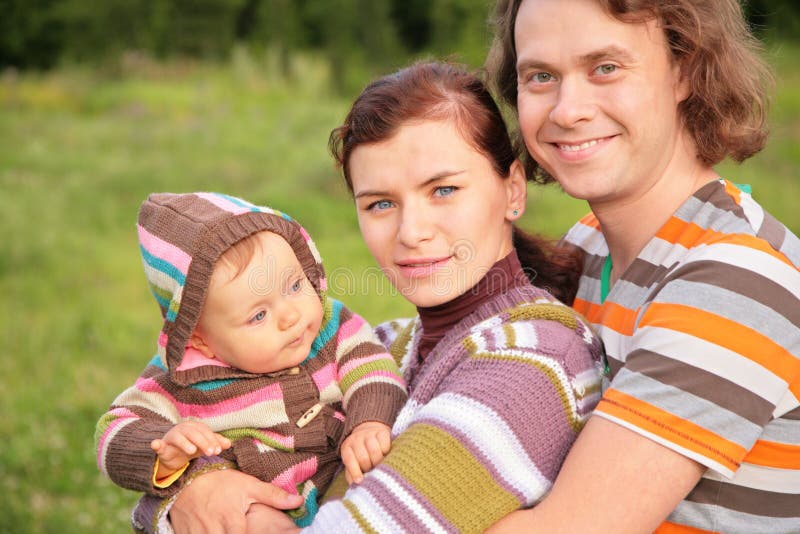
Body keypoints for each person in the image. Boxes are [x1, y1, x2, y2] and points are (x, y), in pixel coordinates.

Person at [130, 62, 606, 533]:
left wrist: (186, 504)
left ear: (513, 190)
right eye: (381, 203)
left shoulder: (532, 359)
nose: (411, 232)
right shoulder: (386, 346)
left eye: (443, 189)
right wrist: (193, 487)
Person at [483, 0, 800, 532]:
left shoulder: (735, 280)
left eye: (605, 68)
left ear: (685, 70)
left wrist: (349, 505)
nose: (568, 110)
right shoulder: (589, 246)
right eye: (540, 76)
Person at [95, 192, 408, 530]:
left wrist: (369, 423)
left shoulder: (332, 328)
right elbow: (114, 430)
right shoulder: (181, 381)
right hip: (256, 505)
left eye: (294, 285)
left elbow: (372, 366)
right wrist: (163, 448)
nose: (290, 316)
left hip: (338, 487)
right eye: (259, 315)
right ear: (200, 339)